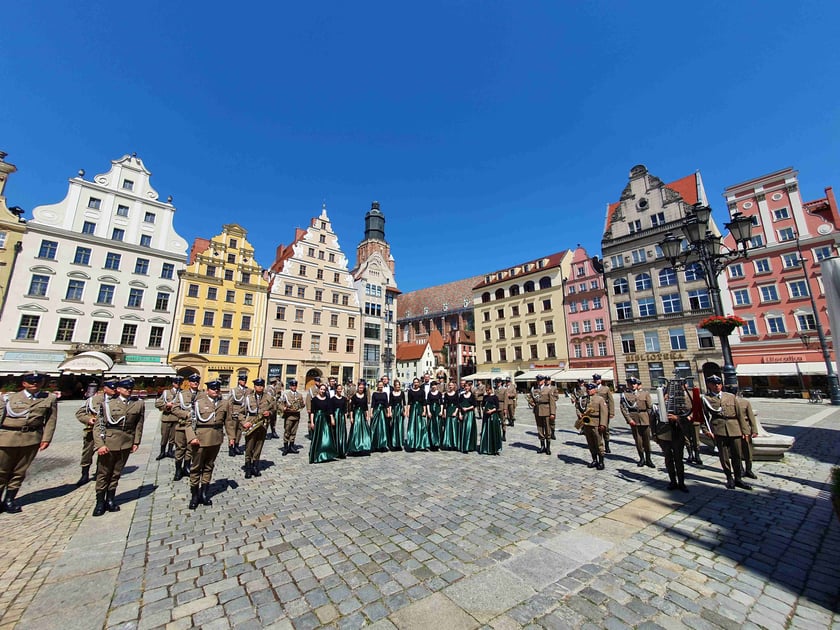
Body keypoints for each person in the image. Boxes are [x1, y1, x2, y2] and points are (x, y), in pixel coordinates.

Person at [0, 372, 58, 514]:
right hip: (7, 437)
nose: (34, 384)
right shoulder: (9, 397)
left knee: (19, 471)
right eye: (30, 381)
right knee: (1, 471)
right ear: (24, 383)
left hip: (31, 438)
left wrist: (46, 438)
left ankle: (9, 500)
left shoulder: (49, 398)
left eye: (38, 381)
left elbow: (51, 420)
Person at [92, 378, 144, 516]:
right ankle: (99, 502)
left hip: (126, 442)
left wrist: (136, 442)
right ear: (119, 389)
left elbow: (139, 424)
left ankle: (110, 499)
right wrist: (100, 445)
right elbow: (98, 427)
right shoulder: (107, 404)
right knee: (103, 473)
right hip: (109, 443)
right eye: (126, 388)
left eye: (131, 388)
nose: (129, 390)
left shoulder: (138, 404)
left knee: (116, 473)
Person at [702, 375, 751, 490]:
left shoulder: (730, 397)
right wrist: (706, 430)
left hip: (734, 428)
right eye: (714, 384)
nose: (717, 386)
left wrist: (745, 431)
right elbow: (703, 416)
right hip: (718, 429)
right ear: (709, 385)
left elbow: (740, 415)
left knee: (737, 455)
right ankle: (729, 477)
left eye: (719, 384)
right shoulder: (706, 399)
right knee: (724, 456)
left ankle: (738, 478)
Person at [187, 380, 229, 509]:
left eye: (217, 389)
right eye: (212, 389)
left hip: (216, 439)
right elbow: (188, 423)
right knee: (196, 468)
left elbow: (228, 421)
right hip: (200, 439)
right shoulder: (198, 403)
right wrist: (192, 437)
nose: (215, 391)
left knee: (209, 466)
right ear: (207, 390)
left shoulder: (224, 403)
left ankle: (204, 493)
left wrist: (232, 438)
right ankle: (194, 496)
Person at [75, 379, 113, 486]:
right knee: (87, 452)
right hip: (92, 431)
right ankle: (84, 474)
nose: (114, 390)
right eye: (111, 388)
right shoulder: (94, 400)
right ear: (105, 389)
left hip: (108, 432)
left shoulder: (117, 400)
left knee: (105, 453)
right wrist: (88, 419)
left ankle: (100, 473)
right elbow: (80, 413)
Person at [655, 382, 692, 492]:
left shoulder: (679, 406)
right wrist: (655, 435)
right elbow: (653, 421)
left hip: (677, 435)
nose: (667, 397)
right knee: (668, 460)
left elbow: (686, 419)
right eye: (666, 395)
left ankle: (681, 482)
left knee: (679, 460)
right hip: (664, 436)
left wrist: (677, 418)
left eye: (670, 395)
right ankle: (672, 481)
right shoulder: (658, 406)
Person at [241, 378, 275, 478]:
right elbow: (240, 413)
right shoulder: (248, 397)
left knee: (258, 446)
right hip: (251, 423)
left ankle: (255, 467)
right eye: (258, 385)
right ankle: (248, 468)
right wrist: (244, 422)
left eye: (262, 385)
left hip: (263, 424)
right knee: (249, 447)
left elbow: (274, 409)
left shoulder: (268, 397)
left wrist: (270, 413)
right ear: (254, 387)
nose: (260, 387)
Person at [620, 377, 654, 468]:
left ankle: (648, 459)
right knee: (638, 440)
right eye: (631, 384)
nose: (633, 386)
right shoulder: (625, 395)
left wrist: (651, 420)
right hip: (634, 419)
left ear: (637, 384)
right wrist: (629, 419)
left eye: (634, 384)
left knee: (647, 440)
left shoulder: (645, 394)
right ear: (628, 385)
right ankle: (641, 458)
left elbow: (650, 407)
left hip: (645, 418)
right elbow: (623, 408)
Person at [173, 374, 201, 479]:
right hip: (183, 425)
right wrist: (186, 414)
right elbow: (174, 409)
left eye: (197, 381)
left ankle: (187, 467)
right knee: (180, 448)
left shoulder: (202, 395)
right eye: (193, 381)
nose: (195, 383)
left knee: (190, 448)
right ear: (189, 382)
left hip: (194, 426)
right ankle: (178, 469)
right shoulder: (182, 394)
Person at [154, 376, 183, 462]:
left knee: (173, 436)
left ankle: (170, 451)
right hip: (167, 417)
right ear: (173, 383)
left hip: (177, 418)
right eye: (177, 383)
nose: (178, 384)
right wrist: (166, 406)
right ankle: (162, 452)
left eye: (180, 383)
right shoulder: (166, 392)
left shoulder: (182, 393)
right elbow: (158, 403)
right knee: (164, 436)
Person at [579, 382, 608, 469]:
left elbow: (604, 413)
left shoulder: (600, 399)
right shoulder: (584, 399)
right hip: (587, 423)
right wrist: (579, 414)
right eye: (588, 389)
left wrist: (602, 424)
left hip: (596, 423)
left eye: (590, 389)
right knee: (590, 443)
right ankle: (594, 460)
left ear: (595, 390)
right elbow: (578, 407)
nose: (588, 390)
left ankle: (601, 461)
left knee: (598, 443)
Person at [309, 383, 339, 464]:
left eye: (324, 390)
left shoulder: (328, 399)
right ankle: (317, 454)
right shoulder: (314, 399)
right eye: (321, 389)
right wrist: (312, 422)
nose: (322, 391)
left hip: (325, 419)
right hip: (318, 419)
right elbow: (312, 412)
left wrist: (332, 419)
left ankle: (327, 454)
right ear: (319, 390)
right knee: (318, 437)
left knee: (326, 437)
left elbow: (330, 410)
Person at [528, 375, 556, 455]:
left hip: (546, 410)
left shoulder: (548, 389)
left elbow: (552, 402)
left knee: (547, 429)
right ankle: (542, 446)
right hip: (537, 410)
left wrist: (552, 413)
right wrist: (531, 402)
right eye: (538, 380)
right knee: (540, 429)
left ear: (543, 380)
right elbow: (530, 397)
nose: (539, 382)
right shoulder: (534, 389)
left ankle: (548, 447)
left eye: (540, 380)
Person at [278, 379, 305, 456]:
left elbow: (302, 404)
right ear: (290, 386)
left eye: (295, 385)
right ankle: (286, 447)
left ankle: (292, 446)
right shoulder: (286, 395)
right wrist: (283, 408)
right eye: (292, 385)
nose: (294, 387)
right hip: (289, 416)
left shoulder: (299, 395)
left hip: (296, 415)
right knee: (287, 431)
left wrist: (302, 405)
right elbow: (280, 403)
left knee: (294, 431)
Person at [227, 374, 251, 454]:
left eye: (245, 380)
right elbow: (229, 402)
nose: (244, 382)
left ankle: (237, 445)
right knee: (232, 430)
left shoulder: (249, 390)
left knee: (239, 430)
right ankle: (231, 447)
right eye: (242, 380)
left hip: (243, 413)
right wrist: (230, 413)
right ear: (239, 381)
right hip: (234, 412)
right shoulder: (234, 390)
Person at [405, 378, 430, 452]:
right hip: (413, 409)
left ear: (419, 383)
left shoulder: (422, 391)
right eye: (414, 382)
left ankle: (420, 443)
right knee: (412, 427)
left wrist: (424, 411)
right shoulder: (410, 391)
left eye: (417, 382)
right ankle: (412, 443)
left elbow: (424, 402)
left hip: (420, 409)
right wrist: (408, 411)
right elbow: (409, 402)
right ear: (413, 383)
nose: (415, 383)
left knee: (421, 427)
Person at [737, 395, 759, 479]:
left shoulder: (745, 402)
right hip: (733, 429)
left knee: (748, 451)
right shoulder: (725, 401)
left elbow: (751, 417)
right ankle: (740, 469)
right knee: (737, 451)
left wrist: (754, 430)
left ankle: (749, 469)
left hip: (746, 429)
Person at [347, 380, 371, 456]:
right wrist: (351, 417)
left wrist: (367, 415)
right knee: (355, 431)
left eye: (362, 388)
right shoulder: (354, 397)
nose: (361, 389)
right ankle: (354, 447)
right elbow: (351, 408)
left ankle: (363, 446)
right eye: (360, 388)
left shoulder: (365, 396)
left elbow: (366, 407)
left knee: (364, 431)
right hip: (356, 415)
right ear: (358, 388)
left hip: (362, 415)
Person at [593, 374, 614, 453]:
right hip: (595, 412)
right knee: (597, 430)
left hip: (605, 412)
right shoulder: (592, 388)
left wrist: (611, 412)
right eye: (595, 379)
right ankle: (598, 444)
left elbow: (611, 400)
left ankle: (607, 445)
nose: (596, 381)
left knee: (605, 429)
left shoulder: (606, 388)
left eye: (597, 379)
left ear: (600, 380)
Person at [479, 386, 503, 455]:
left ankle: (495, 448)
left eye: (488, 390)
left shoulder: (495, 397)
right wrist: (484, 409)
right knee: (486, 431)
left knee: (494, 431)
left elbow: (497, 407)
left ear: (491, 390)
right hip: (486, 416)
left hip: (493, 416)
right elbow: (483, 405)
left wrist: (492, 411)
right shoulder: (485, 397)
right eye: (486, 390)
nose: (487, 392)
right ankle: (486, 447)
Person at [369, 381, 390, 453]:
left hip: (383, 412)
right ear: (377, 386)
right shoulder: (374, 394)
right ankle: (374, 444)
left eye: (382, 385)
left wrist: (388, 412)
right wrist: (371, 413)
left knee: (383, 428)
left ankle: (382, 444)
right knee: (375, 428)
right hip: (376, 412)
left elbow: (387, 404)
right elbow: (372, 404)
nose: (380, 386)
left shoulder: (385, 394)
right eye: (379, 385)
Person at [458, 380, 478, 454]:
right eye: (465, 386)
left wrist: (467, 408)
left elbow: (474, 405)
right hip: (463, 414)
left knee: (468, 430)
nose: (466, 388)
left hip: (470, 414)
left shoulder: (472, 396)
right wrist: (460, 414)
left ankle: (469, 446)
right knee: (462, 430)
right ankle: (463, 446)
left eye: (468, 387)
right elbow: (459, 405)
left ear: (470, 387)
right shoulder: (462, 396)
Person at [441, 381, 460, 451]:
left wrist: (455, 412)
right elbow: (445, 404)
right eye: (450, 385)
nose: (451, 386)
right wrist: (445, 413)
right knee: (448, 427)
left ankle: (454, 443)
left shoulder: (456, 394)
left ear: (454, 386)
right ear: (448, 386)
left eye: (452, 385)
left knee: (454, 427)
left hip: (454, 410)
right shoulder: (446, 394)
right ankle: (448, 443)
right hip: (448, 411)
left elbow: (458, 404)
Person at [388, 380, 406, 451]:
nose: (398, 388)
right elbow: (390, 403)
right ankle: (393, 443)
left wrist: (405, 411)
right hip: (394, 410)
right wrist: (390, 412)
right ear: (394, 386)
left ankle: (399, 443)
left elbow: (404, 403)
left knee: (400, 427)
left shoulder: (402, 393)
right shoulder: (391, 393)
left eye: (399, 387)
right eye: (397, 387)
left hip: (400, 411)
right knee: (393, 426)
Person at [332, 383, 349, 458]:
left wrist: (345, 418)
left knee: (342, 433)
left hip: (341, 417)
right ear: (336, 390)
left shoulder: (344, 399)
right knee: (335, 433)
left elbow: (345, 410)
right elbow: (331, 410)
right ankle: (335, 450)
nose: (339, 390)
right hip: (335, 417)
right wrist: (332, 418)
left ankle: (342, 450)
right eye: (338, 389)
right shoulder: (332, 399)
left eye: (341, 389)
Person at [426, 381, 443, 450]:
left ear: (436, 386)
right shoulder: (429, 394)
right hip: (431, 411)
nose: (434, 386)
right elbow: (428, 403)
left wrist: (441, 411)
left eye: (435, 385)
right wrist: (428, 412)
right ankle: (432, 443)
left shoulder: (439, 393)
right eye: (432, 385)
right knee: (431, 427)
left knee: (438, 427)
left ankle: (438, 443)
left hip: (437, 410)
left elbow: (441, 403)